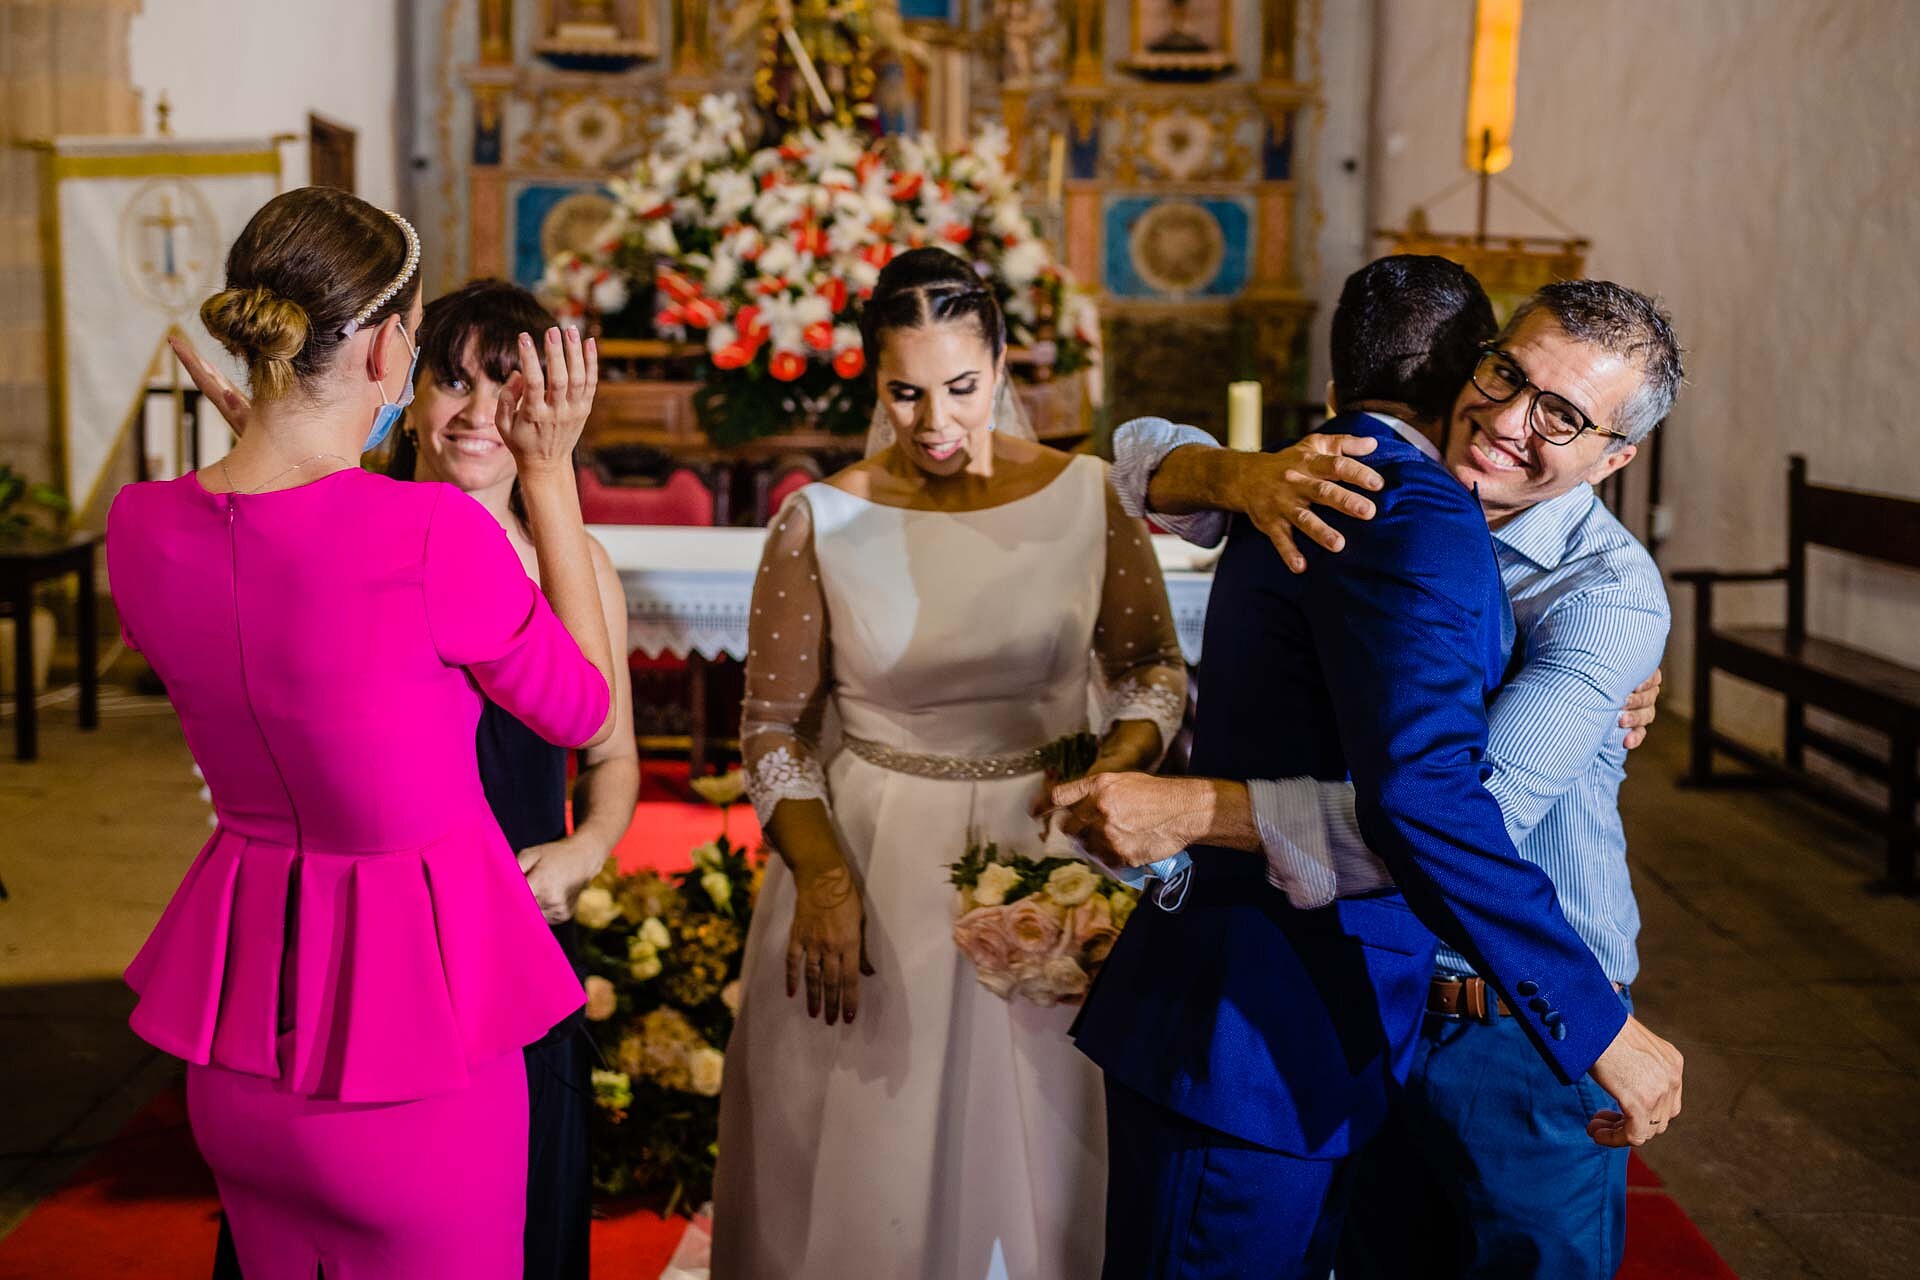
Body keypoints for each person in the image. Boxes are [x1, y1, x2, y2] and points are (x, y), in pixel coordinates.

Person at [1064, 256, 1684, 1279]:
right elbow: (1136, 447)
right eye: (1505, 374)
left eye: (1563, 417)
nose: (1510, 420)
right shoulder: (1346, 482)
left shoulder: (1605, 596)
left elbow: (1443, 812)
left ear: (1614, 458)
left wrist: (1192, 807)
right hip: (1362, 991)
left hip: (1514, 1014)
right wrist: (1235, 472)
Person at [107, 186, 615, 1280]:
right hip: (413, 1052)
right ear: (391, 351)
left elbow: (272, 581)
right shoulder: (432, 531)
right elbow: (582, 706)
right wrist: (547, 472)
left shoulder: (142, 526)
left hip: (243, 1042)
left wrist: (279, 464)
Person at [710, 246, 1189, 1279]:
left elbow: (1152, 667)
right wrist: (825, 874)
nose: (936, 422)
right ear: (874, 383)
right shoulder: (822, 518)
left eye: (962, 388)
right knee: (865, 1153)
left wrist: (1116, 770)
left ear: (1004, 363)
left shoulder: (1085, 496)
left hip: (1054, 847)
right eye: (907, 392)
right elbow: (773, 729)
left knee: (1053, 1146)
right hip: (872, 858)